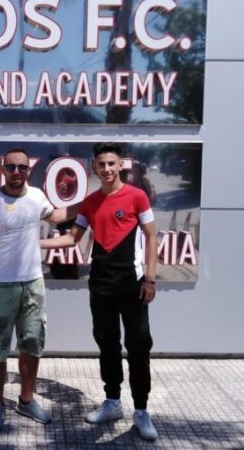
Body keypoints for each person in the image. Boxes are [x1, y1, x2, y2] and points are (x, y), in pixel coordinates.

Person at [40, 142, 159, 441]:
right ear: (94, 167)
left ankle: (141, 411)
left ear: (120, 165)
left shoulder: (137, 196)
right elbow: (72, 239)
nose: (106, 169)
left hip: (133, 285)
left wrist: (150, 279)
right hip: (101, 285)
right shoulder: (90, 202)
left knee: (138, 346)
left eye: (111, 163)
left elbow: (151, 237)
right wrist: (35, 243)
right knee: (108, 346)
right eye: (101, 164)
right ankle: (112, 402)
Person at [0, 148, 76, 430]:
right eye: (11, 167)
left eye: (22, 167)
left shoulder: (37, 196)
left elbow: (56, 216)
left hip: (33, 284)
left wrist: (88, 204)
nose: (17, 172)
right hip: (0, 286)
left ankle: (26, 401)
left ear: (29, 170)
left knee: (32, 344)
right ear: (3, 169)